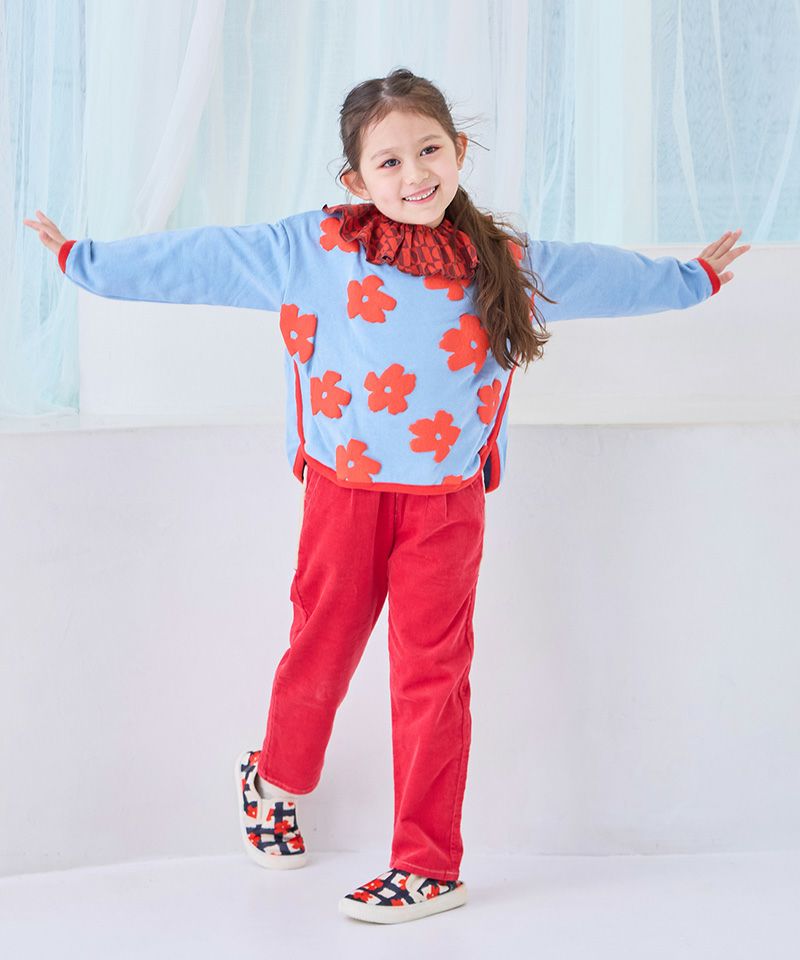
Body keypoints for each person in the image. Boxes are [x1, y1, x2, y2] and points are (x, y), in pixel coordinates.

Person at [23, 67, 750, 925]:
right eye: (390, 162)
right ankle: (275, 780)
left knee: (434, 678)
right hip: (346, 496)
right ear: (356, 179)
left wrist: (691, 279)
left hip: (448, 504)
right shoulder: (312, 248)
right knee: (321, 650)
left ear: (460, 150)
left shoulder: (505, 262)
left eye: (430, 151)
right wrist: (83, 260)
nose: (415, 175)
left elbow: (603, 277)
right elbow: (200, 260)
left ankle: (429, 866)